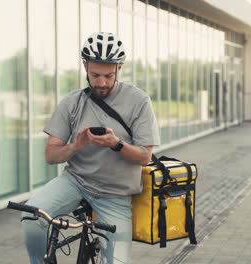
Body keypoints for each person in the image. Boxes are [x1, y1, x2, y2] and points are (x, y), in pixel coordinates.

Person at [22, 32, 160, 264]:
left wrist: (116, 144)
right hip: (75, 182)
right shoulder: (72, 102)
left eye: (108, 75)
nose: (101, 82)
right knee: (31, 216)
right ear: (84, 66)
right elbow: (51, 155)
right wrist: (76, 145)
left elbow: (145, 157)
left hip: (115, 194)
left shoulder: (139, 101)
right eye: (95, 75)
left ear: (119, 68)